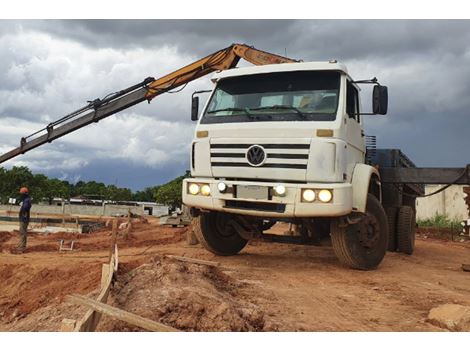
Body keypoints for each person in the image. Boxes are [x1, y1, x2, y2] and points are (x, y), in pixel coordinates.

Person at [15, 187, 32, 253]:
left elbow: (25, 208)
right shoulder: (26, 200)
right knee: (22, 232)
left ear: (24, 194)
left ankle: (22, 247)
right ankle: (21, 245)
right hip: (24, 218)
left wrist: (22, 212)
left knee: (22, 232)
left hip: (24, 219)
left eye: (21, 193)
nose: (20, 195)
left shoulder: (26, 200)